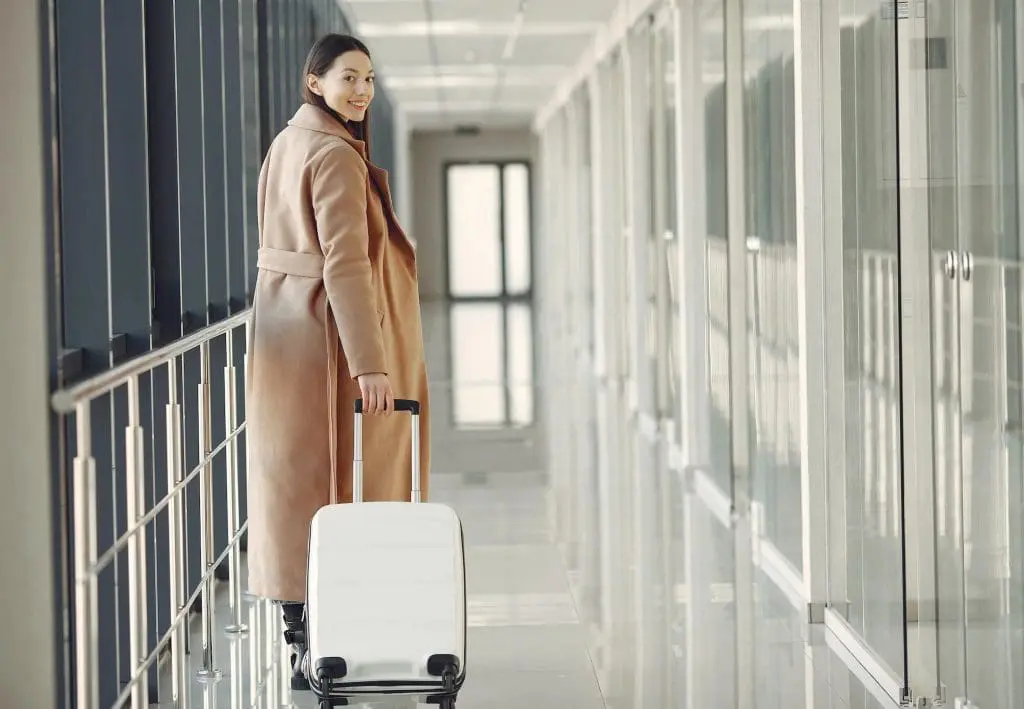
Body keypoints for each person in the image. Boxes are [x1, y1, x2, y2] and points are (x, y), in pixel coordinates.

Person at [245, 33, 431, 689]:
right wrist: (370, 363)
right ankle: (328, 635)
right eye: (348, 77)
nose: (361, 91)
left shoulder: (287, 143)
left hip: (285, 332)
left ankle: (300, 635)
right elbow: (346, 265)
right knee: (342, 483)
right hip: (328, 341)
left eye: (369, 79)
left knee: (292, 481)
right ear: (314, 81)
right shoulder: (335, 156)